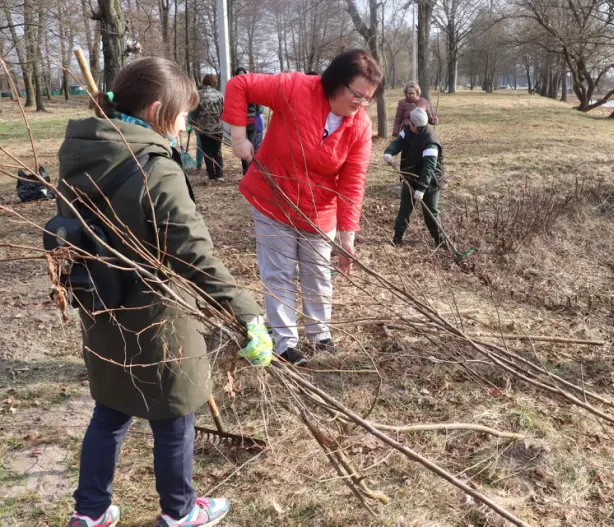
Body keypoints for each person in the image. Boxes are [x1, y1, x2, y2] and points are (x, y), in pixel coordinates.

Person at [59, 57, 273, 527]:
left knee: (110, 410)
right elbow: (193, 252)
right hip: (157, 313)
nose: (185, 126)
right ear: (158, 110)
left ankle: (90, 512)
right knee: (174, 417)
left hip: (100, 304)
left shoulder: (81, 151)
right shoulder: (155, 167)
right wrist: (247, 314)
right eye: (182, 116)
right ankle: (179, 512)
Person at [222, 49, 382, 365]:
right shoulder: (296, 88)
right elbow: (240, 85)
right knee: (278, 274)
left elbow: (353, 181)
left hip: (319, 211)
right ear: (336, 82)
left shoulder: (360, 126)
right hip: (274, 200)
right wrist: (238, 136)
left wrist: (348, 234)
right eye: (356, 95)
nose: (360, 104)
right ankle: (285, 343)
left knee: (318, 274)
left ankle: (320, 336)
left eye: (367, 99)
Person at [383, 107, 445, 247]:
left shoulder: (430, 142)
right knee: (405, 209)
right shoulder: (407, 130)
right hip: (410, 177)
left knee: (431, 213)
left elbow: (429, 168)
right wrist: (390, 152)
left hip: (430, 182)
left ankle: (440, 240)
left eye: (410, 122)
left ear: (415, 125)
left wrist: (422, 188)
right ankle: (397, 238)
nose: (408, 123)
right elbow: (399, 142)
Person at [191, 74, 225, 181]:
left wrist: (194, 122)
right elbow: (223, 111)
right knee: (217, 151)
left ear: (203, 82)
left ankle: (211, 175)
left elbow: (194, 112)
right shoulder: (219, 95)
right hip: (217, 127)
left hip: (203, 128)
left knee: (207, 152)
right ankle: (220, 175)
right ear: (214, 83)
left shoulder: (198, 95)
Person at [233, 67, 265, 174]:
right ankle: (252, 170)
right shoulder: (251, 88)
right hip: (252, 121)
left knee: (242, 146)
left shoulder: (235, 89)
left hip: (241, 123)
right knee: (251, 146)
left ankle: (245, 171)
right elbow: (259, 108)